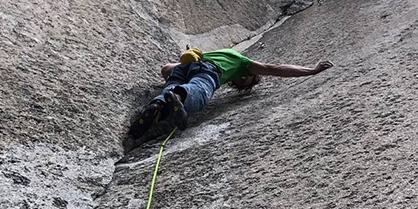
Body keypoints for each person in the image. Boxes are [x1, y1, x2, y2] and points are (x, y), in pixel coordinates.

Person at [127, 47, 334, 139]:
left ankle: (157, 107)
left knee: (170, 89)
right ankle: (179, 96)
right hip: (208, 70)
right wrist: (311, 70)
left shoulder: (219, 52)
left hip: (187, 65)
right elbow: (274, 68)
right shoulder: (243, 63)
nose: (247, 80)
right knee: (200, 91)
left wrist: (174, 68)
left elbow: (167, 68)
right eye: (251, 79)